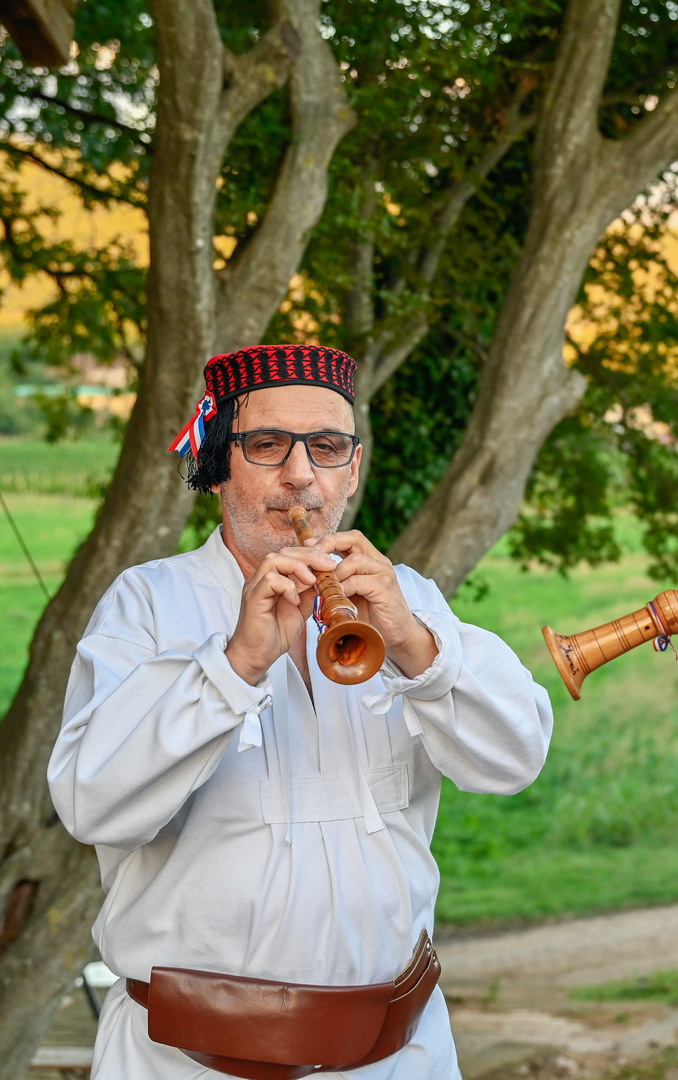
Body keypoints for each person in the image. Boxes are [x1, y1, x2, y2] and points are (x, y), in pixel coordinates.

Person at [48, 344, 553, 1079]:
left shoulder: (407, 598)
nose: (300, 475)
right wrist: (233, 667)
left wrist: (415, 645)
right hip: (188, 1066)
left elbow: (515, 759)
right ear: (219, 463)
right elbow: (90, 803)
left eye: (326, 447)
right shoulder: (148, 603)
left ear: (352, 468)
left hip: (398, 1060)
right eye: (267, 445)